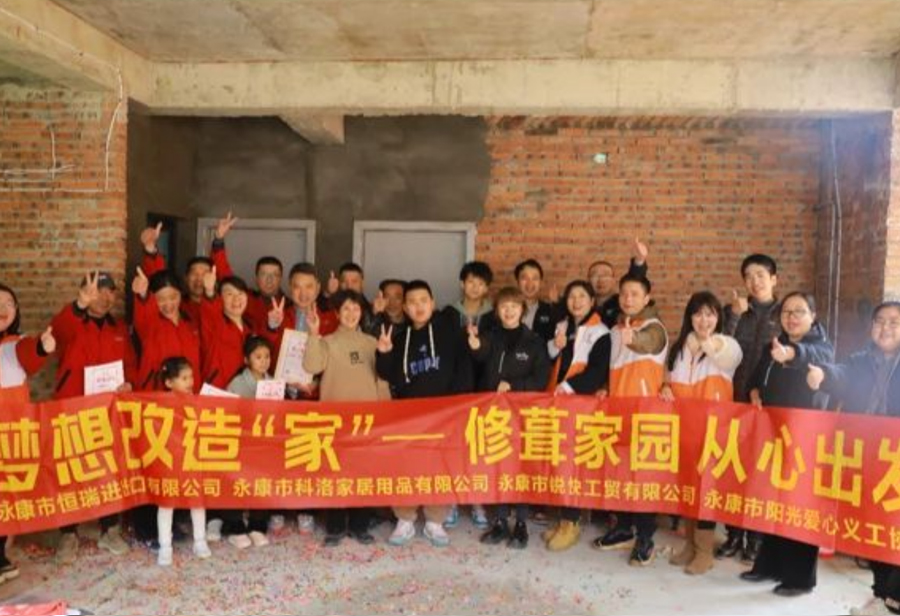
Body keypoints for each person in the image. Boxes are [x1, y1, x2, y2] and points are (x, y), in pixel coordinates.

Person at [807, 301, 900, 615]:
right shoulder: (861, 360)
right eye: (880, 321)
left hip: (897, 459)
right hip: (868, 456)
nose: (885, 328)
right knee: (874, 529)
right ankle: (880, 595)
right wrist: (823, 375)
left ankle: (893, 600)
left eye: (894, 322)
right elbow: (842, 374)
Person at [740, 291, 833, 597]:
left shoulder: (822, 347)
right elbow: (755, 378)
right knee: (774, 502)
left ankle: (800, 578)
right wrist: (754, 392)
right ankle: (769, 565)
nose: (792, 317)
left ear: (813, 316)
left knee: (800, 506)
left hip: (805, 439)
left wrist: (791, 354)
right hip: (773, 435)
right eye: (786, 312)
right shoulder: (773, 345)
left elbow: (813, 357)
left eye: (799, 311)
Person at [376, 280, 474, 547]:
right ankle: (405, 519)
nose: (418, 306)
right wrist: (383, 354)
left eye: (423, 300)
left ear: (432, 303)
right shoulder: (400, 339)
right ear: (405, 308)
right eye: (412, 302)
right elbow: (388, 374)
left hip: (444, 414)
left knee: (440, 468)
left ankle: (435, 521)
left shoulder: (451, 333)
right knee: (406, 467)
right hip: (409, 416)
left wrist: (455, 407)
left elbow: (464, 369)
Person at [50, 271, 136, 564]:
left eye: (111, 291)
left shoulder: (119, 328)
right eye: (99, 290)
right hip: (72, 407)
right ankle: (68, 533)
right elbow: (57, 333)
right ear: (85, 292)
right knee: (71, 471)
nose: (106, 297)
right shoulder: (71, 322)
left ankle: (109, 528)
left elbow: (130, 365)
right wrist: (78, 306)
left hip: (108, 410)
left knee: (107, 468)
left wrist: (129, 383)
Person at [660, 292, 742, 575]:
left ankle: (705, 551)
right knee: (687, 487)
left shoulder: (727, 346)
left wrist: (709, 341)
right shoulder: (680, 348)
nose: (703, 320)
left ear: (718, 318)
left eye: (710, 314)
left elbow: (725, 352)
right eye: (698, 313)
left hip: (713, 434)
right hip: (684, 431)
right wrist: (665, 387)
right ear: (689, 317)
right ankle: (691, 545)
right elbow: (669, 377)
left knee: (707, 490)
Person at [594, 273, 668, 566]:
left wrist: (633, 338)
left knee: (644, 476)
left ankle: (646, 536)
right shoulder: (615, 329)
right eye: (624, 293)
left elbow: (648, 344)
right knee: (621, 472)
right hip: (618, 411)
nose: (628, 299)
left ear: (647, 298)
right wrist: (604, 386)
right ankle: (624, 528)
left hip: (646, 415)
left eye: (635, 294)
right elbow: (616, 367)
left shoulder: (654, 327)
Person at [468, 286, 550, 549]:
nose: (509, 310)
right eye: (504, 306)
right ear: (497, 310)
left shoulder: (534, 341)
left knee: (521, 467)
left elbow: (541, 379)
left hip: (523, 415)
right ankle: (501, 521)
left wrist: (513, 387)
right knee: (499, 466)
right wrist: (475, 345)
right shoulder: (491, 336)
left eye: (514, 306)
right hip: (495, 415)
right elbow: (481, 353)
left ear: (522, 310)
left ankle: (521, 524)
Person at [303, 290, 384, 547]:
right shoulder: (327, 342)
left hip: (367, 421)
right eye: (346, 309)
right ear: (337, 313)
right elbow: (311, 367)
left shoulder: (371, 342)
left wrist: (386, 413)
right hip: (335, 420)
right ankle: (335, 527)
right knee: (335, 473)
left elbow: (381, 380)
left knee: (364, 473)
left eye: (356, 308)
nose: (351, 314)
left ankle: (360, 526)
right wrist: (313, 334)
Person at [719, 253, 781, 562]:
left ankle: (756, 538)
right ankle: (733, 535)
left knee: (761, 474)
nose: (754, 282)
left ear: (773, 279)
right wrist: (733, 315)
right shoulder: (734, 310)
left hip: (768, 406)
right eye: (748, 276)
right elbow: (718, 348)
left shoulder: (786, 313)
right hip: (735, 401)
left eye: (760, 275)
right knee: (733, 468)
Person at [541, 280, 611, 552]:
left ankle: (572, 522)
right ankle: (562, 520)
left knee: (573, 465)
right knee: (559, 462)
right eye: (572, 296)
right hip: (557, 403)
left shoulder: (601, 332)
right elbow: (548, 359)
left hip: (581, 406)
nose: (576, 301)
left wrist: (568, 387)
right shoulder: (563, 326)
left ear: (592, 301)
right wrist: (554, 345)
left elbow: (597, 372)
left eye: (582, 296)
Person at [0, 284, 55, 584]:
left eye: (9, 302)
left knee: (6, 494)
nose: (3, 308)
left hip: (11, 435)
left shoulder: (16, 344)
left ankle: (0, 556)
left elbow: (30, 354)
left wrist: (42, 347)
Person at [156, 357, 212, 566]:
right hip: (169, 461)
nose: (190, 382)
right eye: (184, 378)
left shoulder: (197, 400)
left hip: (192, 459)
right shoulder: (161, 402)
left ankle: (200, 541)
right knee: (166, 504)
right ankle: (165, 546)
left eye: (191, 377)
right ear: (169, 382)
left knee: (197, 500)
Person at [139, 214, 235, 325]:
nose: (199, 279)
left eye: (204, 274)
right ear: (185, 278)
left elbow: (228, 281)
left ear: (214, 279)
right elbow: (158, 280)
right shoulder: (174, 305)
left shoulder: (225, 305)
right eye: (194, 274)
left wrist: (218, 240)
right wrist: (150, 250)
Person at [132, 267, 201, 393]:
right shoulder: (150, 323)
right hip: (156, 397)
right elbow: (144, 311)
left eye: (173, 297)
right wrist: (143, 295)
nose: (168, 304)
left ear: (181, 295)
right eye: (161, 299)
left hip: (190, 395)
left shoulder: (191, 323)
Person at [199, 269, 256, 390]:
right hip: (218, 391)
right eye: (229, 294)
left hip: (245, 393)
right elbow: (209, 312)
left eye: (240, 293)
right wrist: (209, 292)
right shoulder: (215, 324)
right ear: (220, 298)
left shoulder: (250, 329)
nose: (236, 299)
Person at [586, 238, 649, 328]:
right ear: (588, 280)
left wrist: (639, 261)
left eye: (606, 275)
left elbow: (634, 280)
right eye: (595, 275)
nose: (601, 279)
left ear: (614, 280)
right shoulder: (582, 303)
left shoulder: (623, 303)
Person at [514, 259, 559, 343]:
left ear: (540, 282)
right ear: (517, 282)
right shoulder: (507, 309)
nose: (530, 283)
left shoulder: (549, 310)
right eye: (524, 278)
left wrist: (556, 306)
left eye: (535, 278)